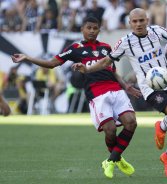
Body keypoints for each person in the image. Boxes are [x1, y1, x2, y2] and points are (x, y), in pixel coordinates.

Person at [72, 8, 167, 178]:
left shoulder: (157, 32)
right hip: (150, 88)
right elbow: (106, 61)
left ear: (147, 20)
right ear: (129, 23)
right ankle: (161, 126)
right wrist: (87, 69)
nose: (138, 24)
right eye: (134, 21)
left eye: (141, 20)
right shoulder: (124, 43)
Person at [11, 16, 142, 178]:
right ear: (82, 29)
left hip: (116, 90)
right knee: (110, 130)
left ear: (99, 29)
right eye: (89, 28)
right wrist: (28, 58)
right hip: (97, 93)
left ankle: (112, 159)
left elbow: (113, 69)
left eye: (95, 28)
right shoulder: (75, 48)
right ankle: (116, 158)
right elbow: (52, 63)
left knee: (131, 122)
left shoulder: (106, 47)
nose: (92, 31)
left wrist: (126, 86)